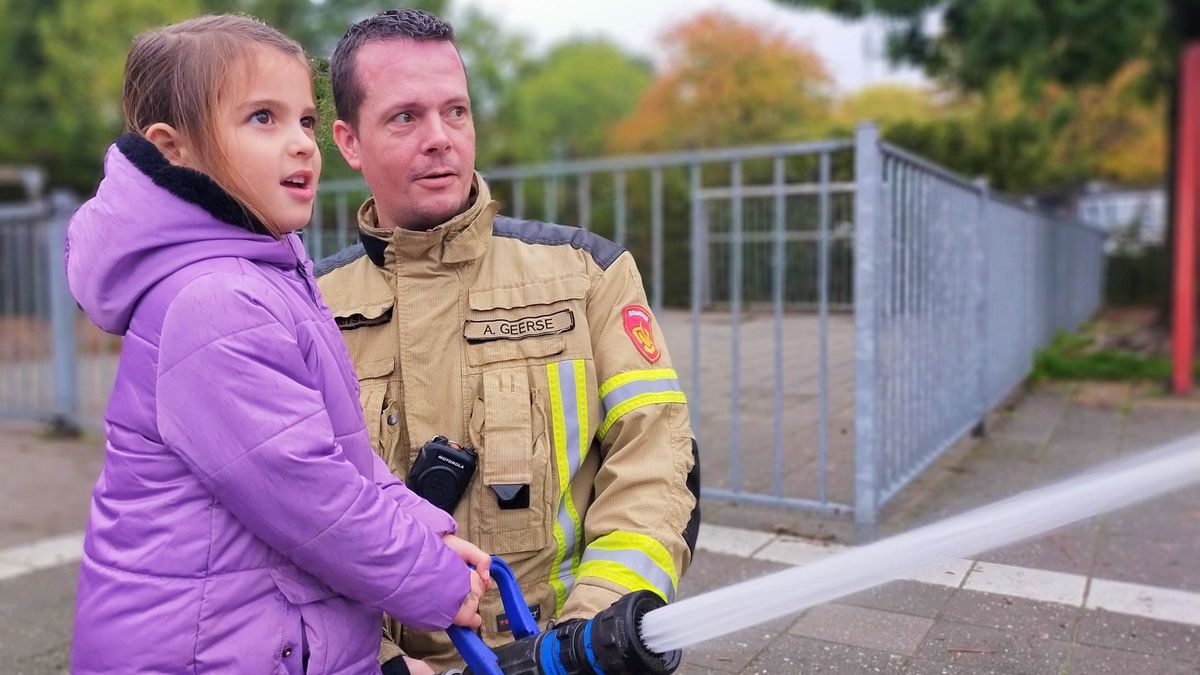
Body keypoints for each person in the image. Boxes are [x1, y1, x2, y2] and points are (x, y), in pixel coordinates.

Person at [65, 14, 490, 674]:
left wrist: (424, 528)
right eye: (263, 118)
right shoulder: (215, 302)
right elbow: (312, 496)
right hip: (203, 652)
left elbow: (336, 453)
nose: (300, 145)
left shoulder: (269, 267)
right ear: (173, 149)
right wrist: (432, 581)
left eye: (305, 121)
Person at [316, 9, 701, 673]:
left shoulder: (587, 273)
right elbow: (280, 518)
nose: (441, 138)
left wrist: (589, 634)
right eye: (406, 116)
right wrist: (376, 663)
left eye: (456, 111)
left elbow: (658, 460)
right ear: (349, 142)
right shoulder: (305, 308)